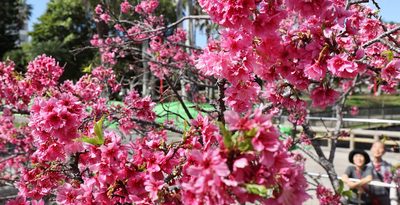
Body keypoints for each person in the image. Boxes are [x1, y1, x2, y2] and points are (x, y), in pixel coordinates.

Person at [366, 141, 392, 205]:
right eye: (375, 147)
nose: (377, 150)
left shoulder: (390, 167)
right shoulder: (365, 166)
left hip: (385, 198)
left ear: (384, 151)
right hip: (368, 198)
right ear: (371, 149)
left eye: (380, 148)